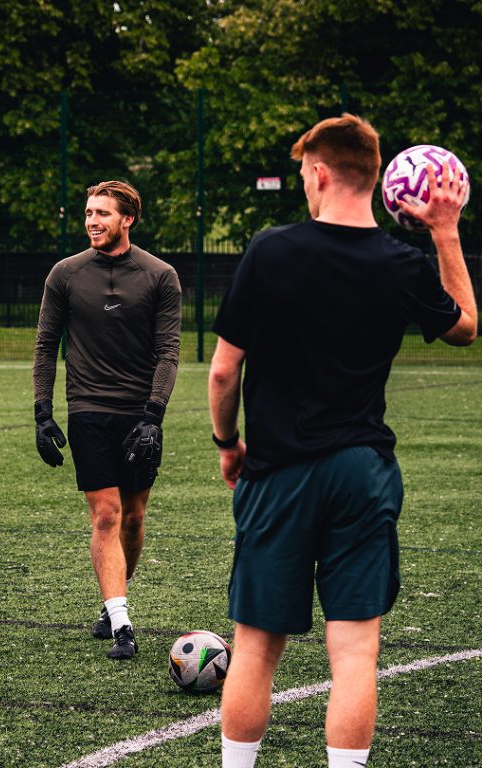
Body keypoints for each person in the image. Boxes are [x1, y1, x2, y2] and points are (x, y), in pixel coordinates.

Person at [208, 115, 476, 768]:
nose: (304, 183)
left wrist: (228, 442)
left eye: (304, 173)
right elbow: (467, 327)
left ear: (321, 172)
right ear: (378, 177)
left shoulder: (272, 250)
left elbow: (223, 370)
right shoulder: (404, 264)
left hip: (280, 472)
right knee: (355, 653)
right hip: (363, 470)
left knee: (256, 647)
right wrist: (445, 232)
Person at [33, 180, 182, 660]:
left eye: (102, 213)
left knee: (134, 518)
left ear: (128, 219)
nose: (93, 221)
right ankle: (121, 622)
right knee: (107, 515)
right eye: (88, 213)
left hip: (139, 414)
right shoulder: (65, 274)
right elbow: (45, 346)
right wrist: (42, 411)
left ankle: (113, 599)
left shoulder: (160, 276)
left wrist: (153, 417)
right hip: (88, 410)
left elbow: (168, 353)